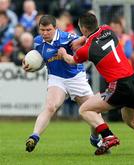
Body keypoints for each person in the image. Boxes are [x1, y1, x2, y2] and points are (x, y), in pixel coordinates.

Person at [58, 12, 134, 155]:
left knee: (85, 110)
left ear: (83, 29)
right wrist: (82, 39)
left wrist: (63, 53)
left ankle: (108, 136)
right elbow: (92, 36)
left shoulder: (86, 50)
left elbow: (71, 60)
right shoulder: (107, 29)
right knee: (131, 120)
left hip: (119, 85)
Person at [22, 14, 102, 152]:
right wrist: (29, 66)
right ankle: (34, 136)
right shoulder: (37, 42)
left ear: (55, 28)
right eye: (42, 30)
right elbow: (38, 60)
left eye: (48, 30)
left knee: (94, 111)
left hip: (76, 77)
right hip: (56, 78)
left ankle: (95, 138)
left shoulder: (68, 38)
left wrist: (74, 48)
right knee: (50, 106)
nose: (45, 33)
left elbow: (86, 42)